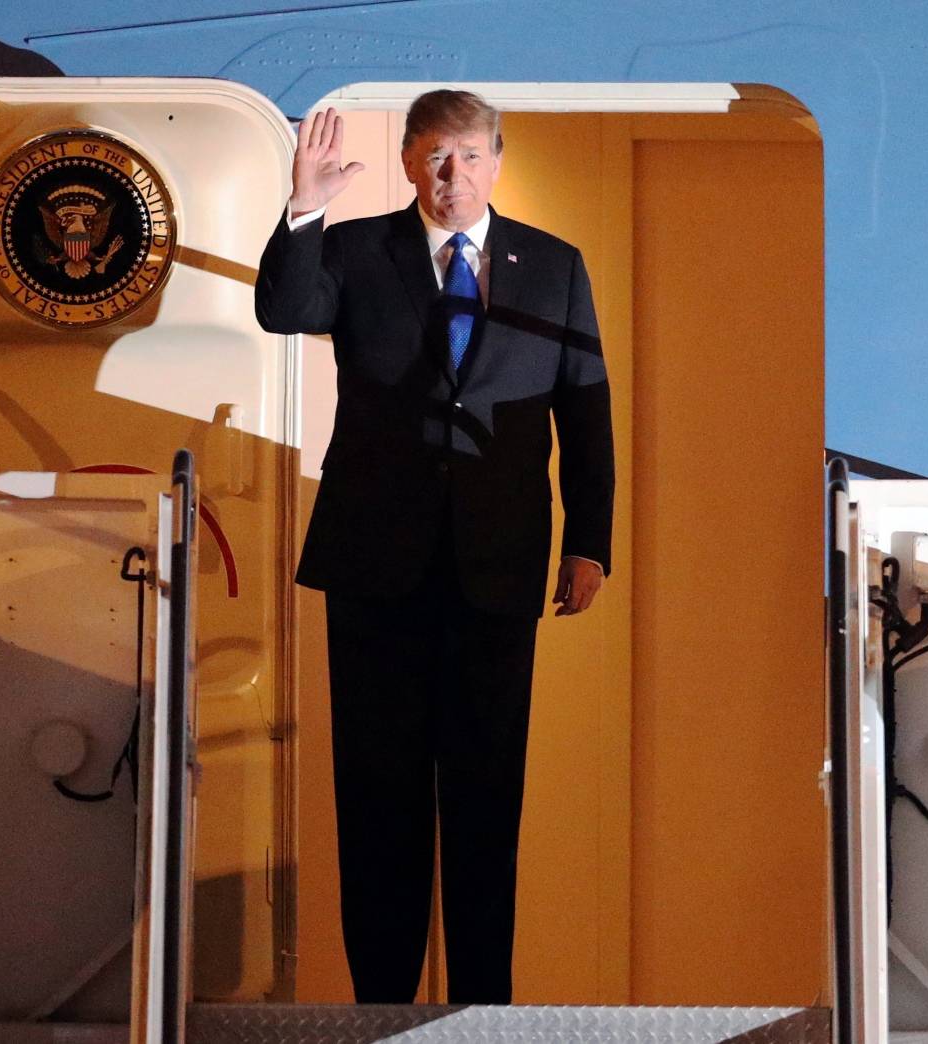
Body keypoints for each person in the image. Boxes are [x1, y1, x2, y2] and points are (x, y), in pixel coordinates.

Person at [255, 89, 614, 1005]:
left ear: (497, 160)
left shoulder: (556, 266)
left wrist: (590, 542)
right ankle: (379, 1012)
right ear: (412, 162)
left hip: (498, 566)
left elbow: (586, 411)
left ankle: (482, 1015)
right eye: (434, 158)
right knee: (380, 801)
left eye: (468, 156)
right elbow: (284, 309)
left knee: (488, 805)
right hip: (376, 564)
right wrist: (303, 207)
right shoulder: (353, 247)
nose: (452, 176)